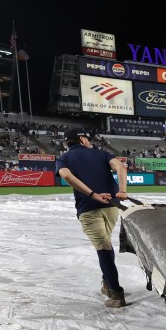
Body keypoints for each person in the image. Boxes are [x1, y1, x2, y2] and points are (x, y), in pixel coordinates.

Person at [55, 129, 129, 308]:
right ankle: (107, 282)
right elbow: (121, 166)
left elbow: (66, 175)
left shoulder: (63, 158)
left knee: (103, 247)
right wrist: (122, 190)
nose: (90, 142)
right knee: (106, 244)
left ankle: (116, 293)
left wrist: (92, 194)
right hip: (111, 206)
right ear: (81, 139)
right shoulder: (101, 154)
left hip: (88, 208)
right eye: (88, 139)